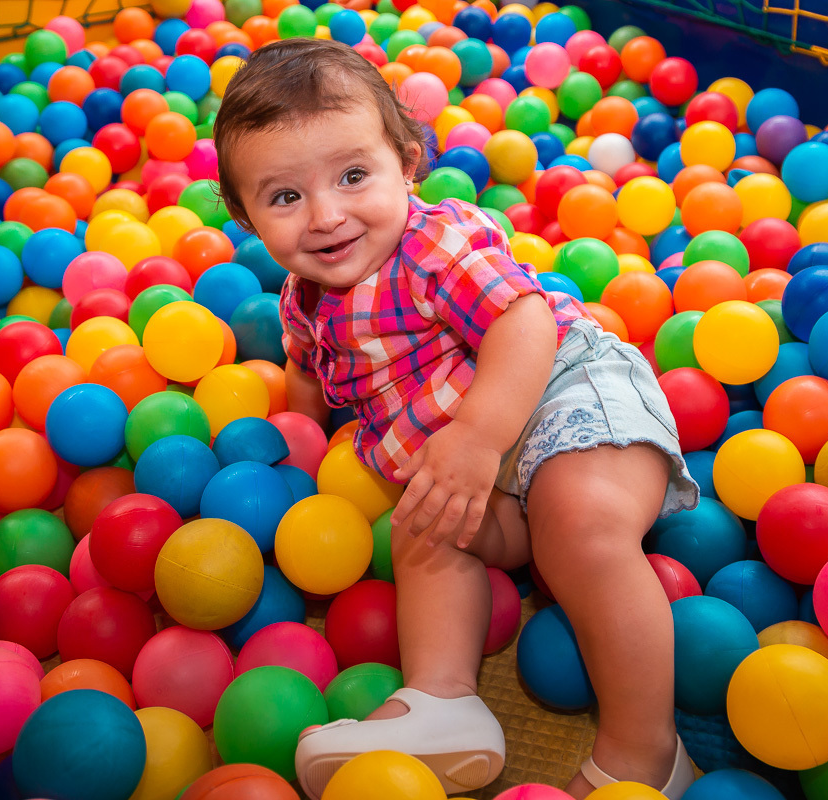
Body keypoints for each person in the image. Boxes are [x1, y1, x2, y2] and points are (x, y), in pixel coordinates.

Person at [213, 38, 700, 800]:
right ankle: (444, 699)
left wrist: (477, 436)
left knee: (579, 523)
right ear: (245, 214)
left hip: (564, 398)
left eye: (352, 176)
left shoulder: (434, 244)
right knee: (424, 521)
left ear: (407, 163)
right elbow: (306, 371)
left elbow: (526, 323)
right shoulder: (301, 298)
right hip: (478, 471)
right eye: (285, 197)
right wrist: (303, 464)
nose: (327, 216)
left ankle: (647, 752)